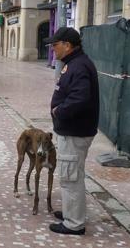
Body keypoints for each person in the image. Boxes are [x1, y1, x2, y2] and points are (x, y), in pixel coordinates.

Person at [44, 27, 99, 235]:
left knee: (70, 178)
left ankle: (74, 223)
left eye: (55, 45)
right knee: (73, 175)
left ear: (67, 45)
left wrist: (60, 111)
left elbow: (80, 98)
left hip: (75, 132)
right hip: (74, 130)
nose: (52, 50)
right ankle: (71, 213)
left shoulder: (79, 66)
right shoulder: (75, 63)